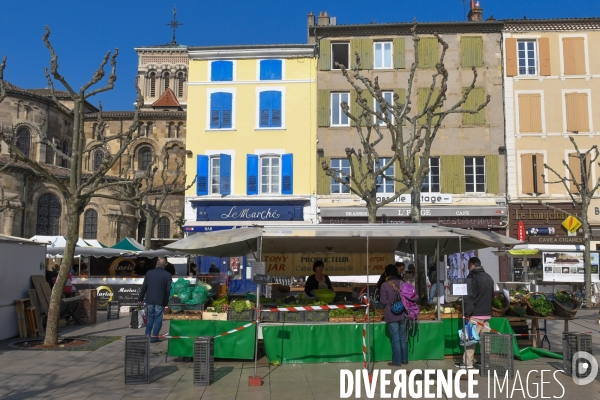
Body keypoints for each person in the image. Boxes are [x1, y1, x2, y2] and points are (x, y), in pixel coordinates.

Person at [455, 257, 494, 369]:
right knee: (485, 340)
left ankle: (468, 363)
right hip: (486, 314)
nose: (467, 266)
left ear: (471, 264)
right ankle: (486, 362)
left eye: (468, 264)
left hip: (475, 314)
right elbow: (491, 295)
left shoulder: (472, 277)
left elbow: (469, 298)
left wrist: (467, 313)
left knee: (470, 339)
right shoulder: (488, 277)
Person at [138, 257, 172, 343]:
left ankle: (147, 335)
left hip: (150, 299)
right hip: (160, 300)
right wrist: (166, 301)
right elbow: (168, 289)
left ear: (157, 263)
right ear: (165, 265)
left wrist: (140, 298)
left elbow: (144, 286)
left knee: (150, 317)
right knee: (158, 319)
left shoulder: (149, 273)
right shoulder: (167, 274)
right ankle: (154, 337)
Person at [380, 264, 408, 367]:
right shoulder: (403, 283)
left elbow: (383, 300)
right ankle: (405, 359)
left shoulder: (385, 285)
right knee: (402, 337)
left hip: (391, 314)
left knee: (395, 338)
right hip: (403, 314)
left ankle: (397, 361)